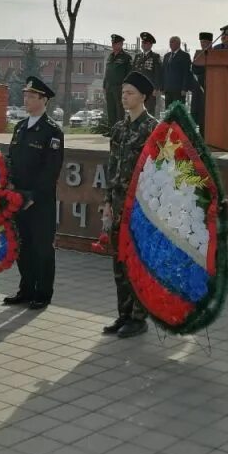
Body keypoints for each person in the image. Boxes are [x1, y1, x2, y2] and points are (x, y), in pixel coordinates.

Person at [99, 71, 158, 339]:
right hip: (119, 205)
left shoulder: (153, 129)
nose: (124, 97)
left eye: (130, 93)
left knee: (138, 264)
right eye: (122, 93)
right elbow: (112, 166)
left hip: (141, 208)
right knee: (119, 264)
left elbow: (159, 173)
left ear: (143, 97)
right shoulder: (119, 128)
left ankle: (138, 317)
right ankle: (123, 313)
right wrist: (108, 202)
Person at [3, 77, 65, 310]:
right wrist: (7, 183)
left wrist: (32, 196)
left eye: (31, 95)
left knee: (42, 248)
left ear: (43, 100)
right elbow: (11, 160)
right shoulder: (20, 127)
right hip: (17, 199)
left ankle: (43, 293)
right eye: (26, 95)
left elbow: (51, 170)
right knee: (23, 246)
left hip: (39, 202)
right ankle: (26, 289)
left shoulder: (52, 131)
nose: (25, 99)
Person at [103, 34, 132, 128]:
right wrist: (104, 86)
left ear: (121, 44)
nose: (113, 45)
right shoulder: (110, 56)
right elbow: (107, 72)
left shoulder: (126, 57)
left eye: (116, 43)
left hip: (120, 87)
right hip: (109, 87)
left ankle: (120, 130)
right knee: (110, 110)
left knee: (119, 110)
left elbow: (129, 74)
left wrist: (126, 86)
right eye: (113, 43)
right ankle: (112, 130)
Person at [132, 32, 163, 115]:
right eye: (142, 42)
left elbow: (158, 73)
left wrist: (156, 88)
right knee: (137, 111)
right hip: (138, 89)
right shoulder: (137, 56)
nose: (143, 44)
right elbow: (133, 72)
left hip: (150, 90)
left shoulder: (155, 57)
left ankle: (149, 128)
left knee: (149, 111)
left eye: (145, 43)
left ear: (150, 45)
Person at [190, 32, 213, 132]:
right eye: (201, 42)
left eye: (205, 42)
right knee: (196, 110)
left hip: (210, 86)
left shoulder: (214, 54)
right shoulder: (198, 53)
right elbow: (194, 68)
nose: (202, 44)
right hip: (198, 86)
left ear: (210, 42)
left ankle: (206, 132)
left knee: (207, 111)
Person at [161, 36, 192, 110]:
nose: (170, 44)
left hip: (179, 90)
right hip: (168, 89)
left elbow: (186, 73)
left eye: (172, 42)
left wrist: (184, 88)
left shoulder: (184, 56)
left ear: (178, 43)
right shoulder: (167, 56)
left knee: (178, 111)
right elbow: (163, 72)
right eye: (170, 42)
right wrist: (162, 87)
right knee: (168, 111)